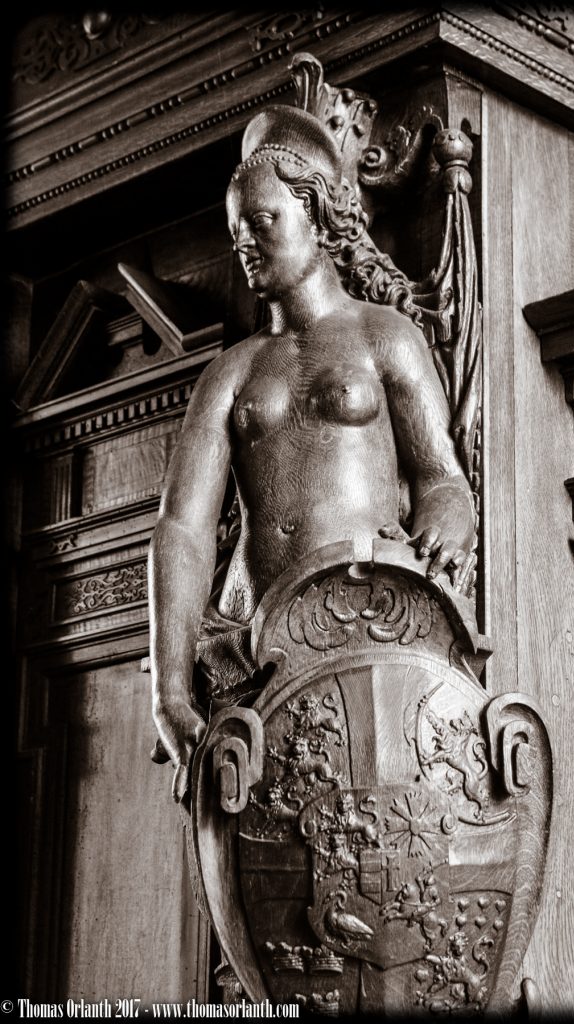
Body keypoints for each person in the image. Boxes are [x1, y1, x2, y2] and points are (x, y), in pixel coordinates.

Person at [149, 105, 476, 800]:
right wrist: (169, 689)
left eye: (261, 221)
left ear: (315, 211)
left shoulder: (385, 337)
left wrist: (446, 520)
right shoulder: (229, 373)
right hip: (251, 646)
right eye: (236, 230)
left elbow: (442, 477)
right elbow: (182, 527)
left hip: (367, 626)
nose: (244, 242)